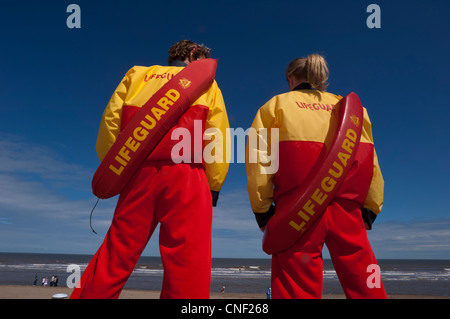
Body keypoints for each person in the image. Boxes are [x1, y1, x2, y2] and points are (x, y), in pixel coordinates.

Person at [70, 40, 230, 299]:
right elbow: (217, 138)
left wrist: (119, 169)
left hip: (137, 173)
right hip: (187, 175)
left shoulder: (135, 74)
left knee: (117, 253)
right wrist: (214, 184)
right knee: (187, 262)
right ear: (192, 54)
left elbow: (110, 125)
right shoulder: (207, 84)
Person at [246, 54, 387, 299]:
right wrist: (371, 208)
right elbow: (370, 160)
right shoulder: (352, 110)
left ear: (291, 78)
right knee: (367, 283)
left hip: (298, 210)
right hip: (347, 211)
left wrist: (262, 210)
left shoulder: (275, 106)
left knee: (295, 289)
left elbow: (260, 160)